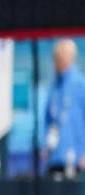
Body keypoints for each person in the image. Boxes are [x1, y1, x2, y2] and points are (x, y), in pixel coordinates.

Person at [44, 39, 85, 177]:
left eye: (62, 57)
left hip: (77, 159)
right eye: (57, 58)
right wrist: (46, 146)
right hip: (55, 158)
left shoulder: (80, 85)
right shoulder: (54, 87)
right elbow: (48, 120)